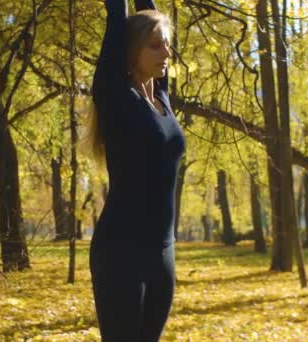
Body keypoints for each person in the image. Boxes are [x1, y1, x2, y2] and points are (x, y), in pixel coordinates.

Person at [87, 0, 186, 340]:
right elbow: (118, 18)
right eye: (155, 45)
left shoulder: (161, 96)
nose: (166, 52)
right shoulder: (117, 98)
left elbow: (148, 8)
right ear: (131, 51)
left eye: (167, 43)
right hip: (121, 252)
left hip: (162, 252)